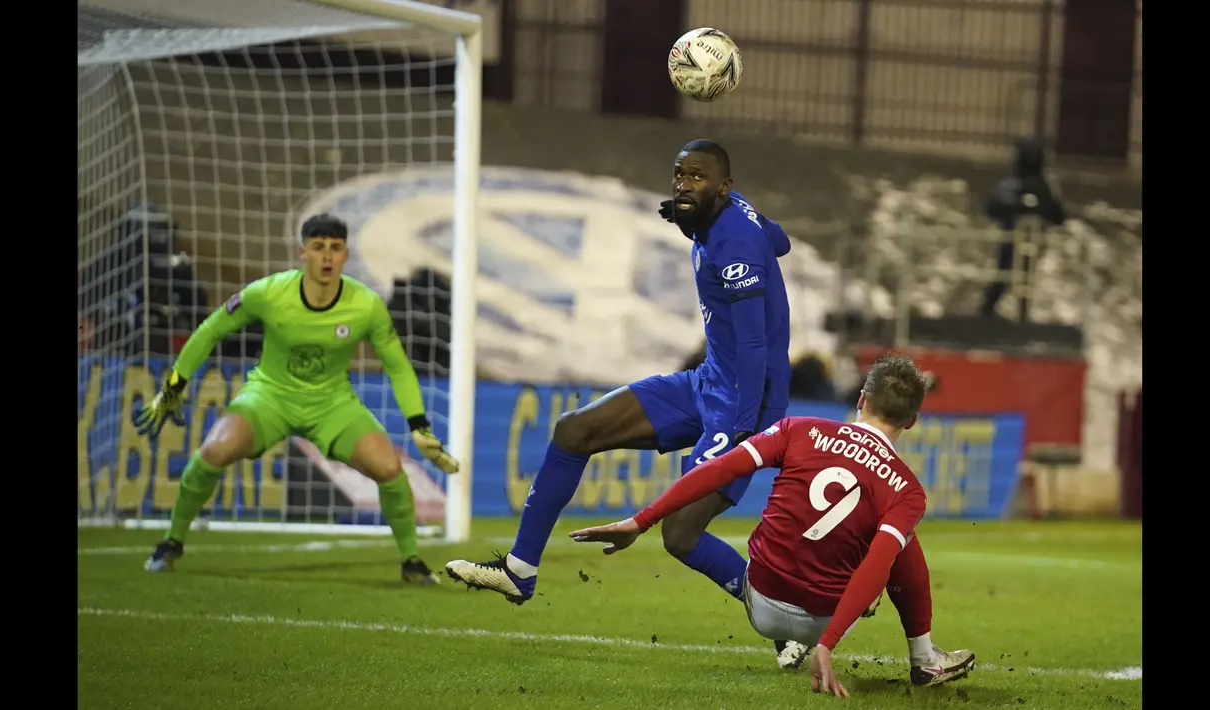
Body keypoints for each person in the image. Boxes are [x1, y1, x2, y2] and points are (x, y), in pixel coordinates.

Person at [445, 139, 794, 607]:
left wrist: (744, 430)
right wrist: (693, 213)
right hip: (709, 381)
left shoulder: (734, 243)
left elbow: (754, 345)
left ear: (725, 187)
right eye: (680, 174)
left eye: (697, 177)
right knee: (574, 431)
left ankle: (785, 619)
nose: (684, 184)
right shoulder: (731, 215)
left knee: (681, 534)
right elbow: (783, 242)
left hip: (745, 399)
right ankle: (519, 570)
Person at [569, 353, 975, 696]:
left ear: (861, 399)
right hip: (826, 620)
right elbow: (879, 564)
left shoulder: (798, 429)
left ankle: (792, 634)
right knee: (897, 539)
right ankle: (924, 659)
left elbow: (717, 470)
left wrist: (641, 520)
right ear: (912, 422)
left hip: (759, 598)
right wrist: (828, 644)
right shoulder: (907, 489)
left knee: (812, 526)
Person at [134, 213, 459, 583]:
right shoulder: (269, 292)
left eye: (335, 249)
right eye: (318, 248)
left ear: (345, 255)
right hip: (270, 396)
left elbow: (398, 366)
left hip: (332, 404)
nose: (326, 257)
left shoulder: (365, 305)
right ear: (301, 252)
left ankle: (411, 561)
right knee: (214, 451)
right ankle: (172, 541)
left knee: (389, 469)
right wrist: (174, 384)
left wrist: (418, 424)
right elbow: (210, 330)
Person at [981, 137, 1067, 320]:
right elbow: (993, 207)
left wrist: (1038, 204)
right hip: (1012, 240)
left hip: (1034, 243)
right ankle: (988, 312)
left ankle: (1018, 316)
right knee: (1005, 276)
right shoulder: (1010, 186)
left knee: (1023, 281)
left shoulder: (1045, 188)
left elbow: (1058, 216)